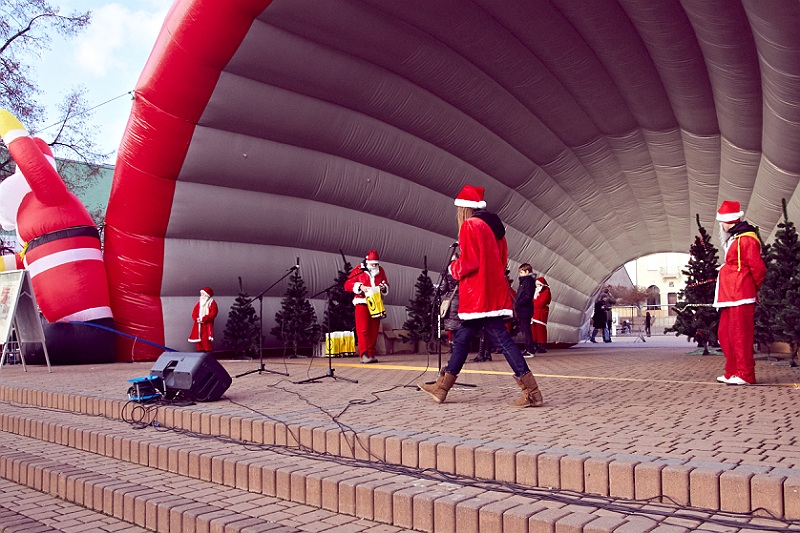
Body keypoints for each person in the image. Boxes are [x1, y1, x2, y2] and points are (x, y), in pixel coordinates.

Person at [419, 185, 543, 407]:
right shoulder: (496, 229)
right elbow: (502, 262)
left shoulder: (470, 225)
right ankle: (442, 388)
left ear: (464, 208)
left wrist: (453, 268)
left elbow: (470, 262)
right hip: (492, 292)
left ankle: (532, 392)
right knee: (463, 338)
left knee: (501, 340)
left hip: (478, 296)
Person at [713, 201, 766, 385]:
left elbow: (758, 268)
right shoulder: (735, 238)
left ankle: (745, 374)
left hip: (740, 295)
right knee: (725, 334)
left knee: (740, 336)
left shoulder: (747, 239)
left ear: (729, 221)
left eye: (722, 221)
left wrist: (753, 288)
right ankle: (733, 371)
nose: (721, 225)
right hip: (729, 295)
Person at [344, 250, 389, 363]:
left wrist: (383, 287)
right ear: (367, 261)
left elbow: (385, 283)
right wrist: (360, 287)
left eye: (376, 264)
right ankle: (364, 354)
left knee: (374, 330)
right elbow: (347, 285)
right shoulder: (359, 270)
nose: (374, 266)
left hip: (376, 302)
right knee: (363, 329)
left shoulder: (381, 270)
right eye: (372, 264)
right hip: (362, 302)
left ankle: (371, 354)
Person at [515, 263, 536, 357]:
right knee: (525, 329)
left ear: (527, 271)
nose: (520, 274)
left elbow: (527, 296)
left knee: (526, 330)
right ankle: (528, 348)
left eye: (521, 272)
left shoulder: (528, 281)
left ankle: (530, 350)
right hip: (523, 309)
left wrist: (519, 303)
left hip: (525, 309)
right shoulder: (525, 281)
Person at [188, 287, 218, 351]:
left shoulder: (212, 303)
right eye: (201, 293)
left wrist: (204, 318)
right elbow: (195, 311)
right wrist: (196, 318)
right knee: (198, 338)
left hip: (206, 324)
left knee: (205, 339)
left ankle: (208, 351)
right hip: (198, 324)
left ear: (207, 295)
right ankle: (200, 350)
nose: (201, 295)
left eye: (203, 294)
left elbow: (213, 313)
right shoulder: (199, 303)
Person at [532, 276, 551, 353]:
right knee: (533, 329)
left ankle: (542, 345)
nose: (537, 286)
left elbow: (541, 302)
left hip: (540, 313)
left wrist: (532, 304)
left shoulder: (546, 291)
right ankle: (535, 344)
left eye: (538, 284)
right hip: (533, 313)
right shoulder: (534, 291)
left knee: (540, 329)